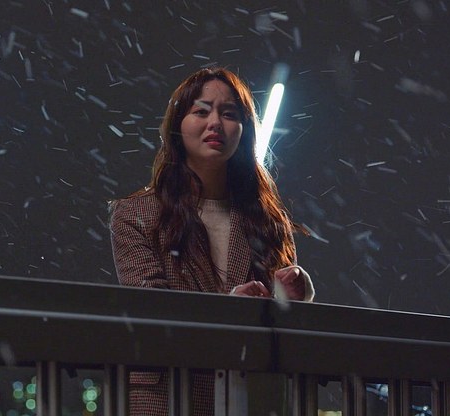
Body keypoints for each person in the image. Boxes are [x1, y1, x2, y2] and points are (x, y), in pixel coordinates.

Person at [109, 67, 314, 415]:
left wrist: (298, 297)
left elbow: (282, 330)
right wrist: (226, 310)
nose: (215, 123)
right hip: (168, 397)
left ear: (244, 131)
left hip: (246, 397)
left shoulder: (267, 220)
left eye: (229, 114)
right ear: (178, 126)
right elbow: (152, 313)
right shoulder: (135, 214)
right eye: (201, 111)